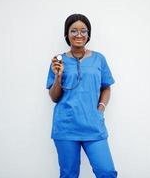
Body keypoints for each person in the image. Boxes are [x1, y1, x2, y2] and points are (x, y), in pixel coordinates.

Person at [46, 13, 118, 178]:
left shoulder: (99, 59)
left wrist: (100, 109)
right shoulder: (59, 61)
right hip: (66, 126)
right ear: (66, 35)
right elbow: (54, 97)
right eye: (74, 31)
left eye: (83, 31)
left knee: (106, 172)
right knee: (69, 175)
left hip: (93, 125)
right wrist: (58, 76)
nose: (79, 34)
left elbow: (106, 87)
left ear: (88, 34)